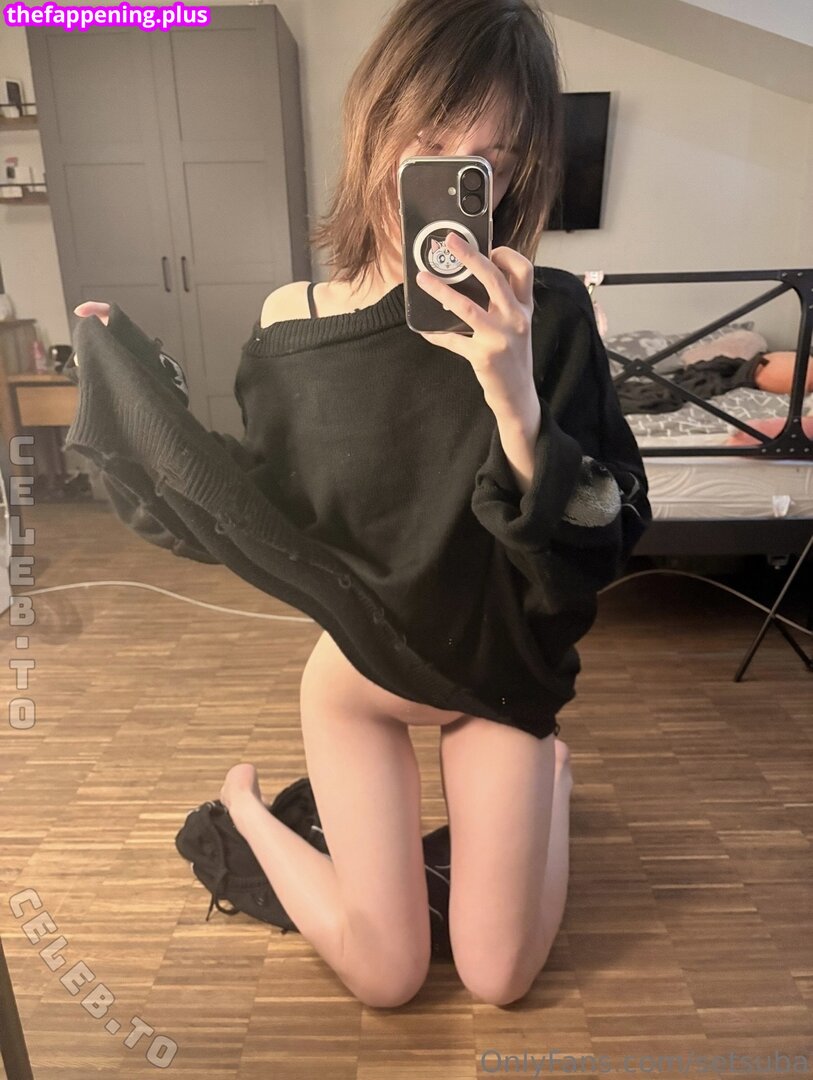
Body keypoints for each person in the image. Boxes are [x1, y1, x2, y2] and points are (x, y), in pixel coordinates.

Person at [73, 0, 650, 1011]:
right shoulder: (290, 327)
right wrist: (138, 389)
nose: (458, 175)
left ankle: (548, 780)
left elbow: (605, 531)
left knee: (498, 976)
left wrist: (514, 397)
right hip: (361, 672)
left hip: (499, 668)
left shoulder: (549, 317)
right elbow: (258, 506)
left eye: (492, 160)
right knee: (387, 977)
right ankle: (250, 810)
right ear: (376, 125)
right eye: (432, 140)